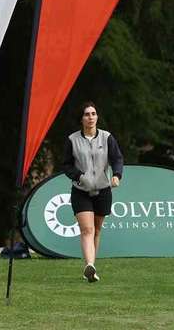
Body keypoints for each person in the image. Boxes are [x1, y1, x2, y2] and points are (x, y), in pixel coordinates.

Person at [61, 101, 124, 283]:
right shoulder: (72, 140)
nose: (90, 117)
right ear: (81, 119)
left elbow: (117, 158)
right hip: (81, 190)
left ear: (97, 117)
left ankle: (91, 268)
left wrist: (117, 175)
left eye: (93, 114)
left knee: (96, 230)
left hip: (103, 190)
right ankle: (90, 265)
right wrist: (79, 176)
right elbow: (66, 165)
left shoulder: (107, 138)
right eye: (87, 114)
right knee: (87, 229)